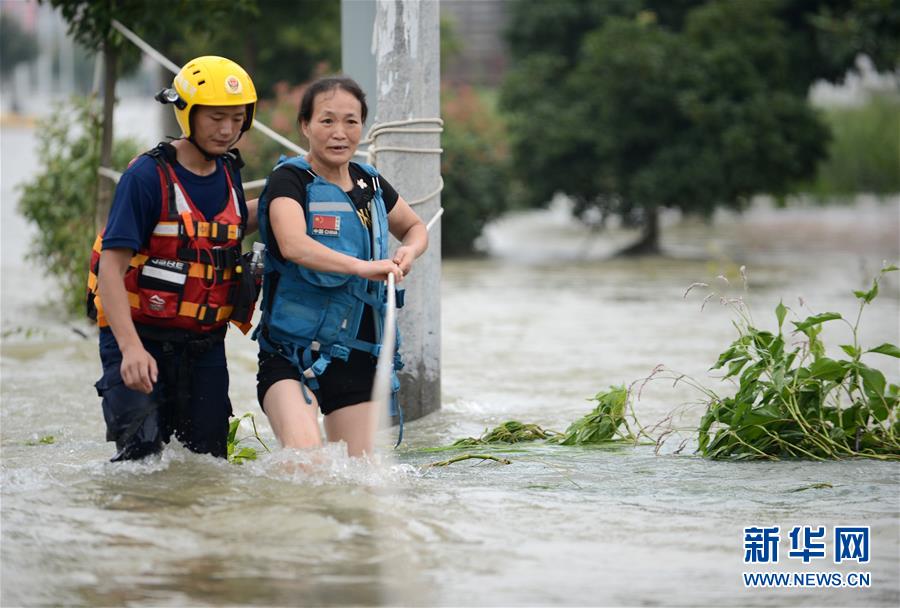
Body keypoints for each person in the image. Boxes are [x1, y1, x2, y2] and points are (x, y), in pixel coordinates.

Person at [86, 56, 260, 462]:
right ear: (188, 113)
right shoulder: (146, 178)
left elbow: (223, 227)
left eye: (237, 119)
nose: (227, 129)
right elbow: (111, 269)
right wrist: (130, 349)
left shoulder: (230, 172)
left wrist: (294, 193)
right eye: (216, 117)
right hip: (138, 336)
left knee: (207, 464)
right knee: (140, 460)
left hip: (203, 346)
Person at [254, 76, 428, 457]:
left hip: (359, 356)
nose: (340, 132)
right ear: (305, 126)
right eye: (327, 121)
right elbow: (293, 244)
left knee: (360, 485)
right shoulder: (290, 180)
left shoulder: (371, 182)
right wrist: (360, 267)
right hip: (293, 355)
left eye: (351, 121)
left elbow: (414, 228)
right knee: (305, 462)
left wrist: (409, 252)